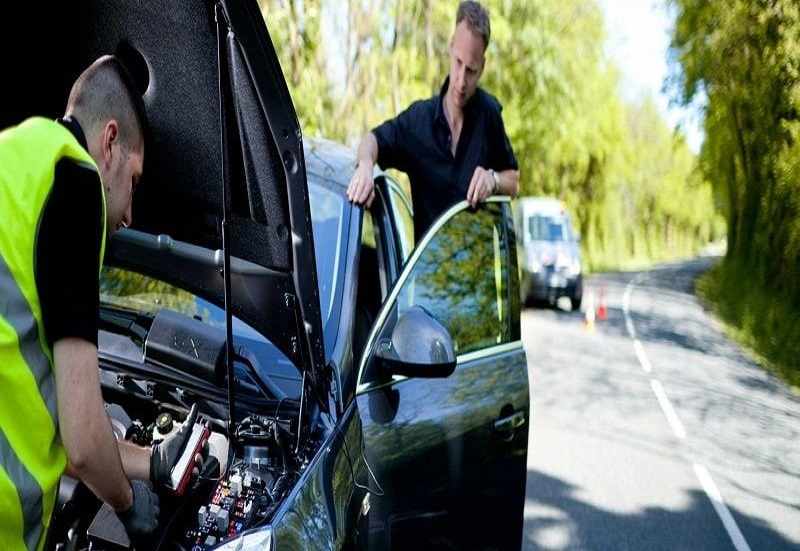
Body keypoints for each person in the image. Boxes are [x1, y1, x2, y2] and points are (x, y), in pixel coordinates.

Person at [0, 55, 201, 550]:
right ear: (109, 141)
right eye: (134, 181)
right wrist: (128, 504)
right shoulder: (74, 180)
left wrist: (150, 461)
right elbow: (84, 442)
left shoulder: (15, 155)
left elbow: (48, 419)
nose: (130, 214)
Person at [347, 0, 520, 240]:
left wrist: (493, 180)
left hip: (478, 264)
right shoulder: (418, 121)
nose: (461, 80)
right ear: (450, 48)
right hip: (427, 265)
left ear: (482, 67)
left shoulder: (489, 115)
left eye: (471, 70)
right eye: (458, 63)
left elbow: (513, 182)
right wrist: (366, 166)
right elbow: (371, 140)